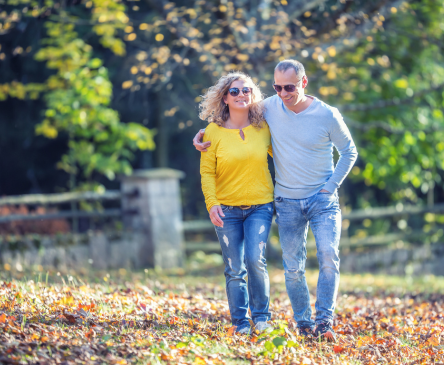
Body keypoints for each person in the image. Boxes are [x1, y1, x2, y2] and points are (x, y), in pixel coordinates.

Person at [194, 60, 358, 342]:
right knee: (278, 268)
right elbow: (216, 150)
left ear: (303, 83)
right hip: (278, 202)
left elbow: (347, 151)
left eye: (289, 87)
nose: (283, 93)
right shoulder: (260, 112)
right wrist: (199, 137)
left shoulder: (311, 116)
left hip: (302, 201)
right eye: (277, 87)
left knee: (320, 257)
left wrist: (329, 186)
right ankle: (289, 324)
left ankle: (317, 322)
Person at [199, 72, 274, 335]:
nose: (241, 95)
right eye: (235, 91)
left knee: (255, 260)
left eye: (247, 90)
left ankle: (262, 318)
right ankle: (240, 323)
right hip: (226, 210)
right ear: (224, 97)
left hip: (261, 205)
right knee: (234, 268)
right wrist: (212, 203)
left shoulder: (264, 127)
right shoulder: (213, 131)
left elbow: (288, 151)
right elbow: (207, 172)